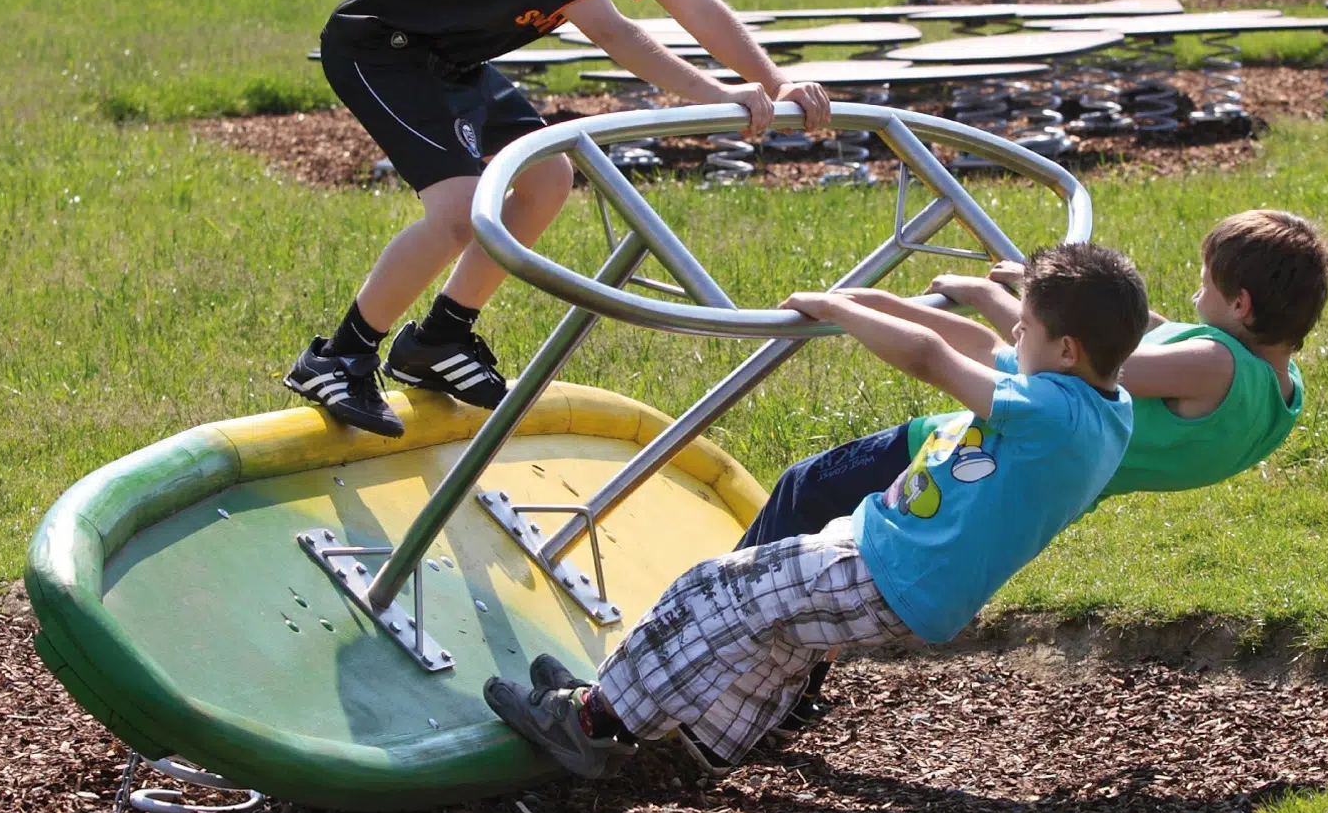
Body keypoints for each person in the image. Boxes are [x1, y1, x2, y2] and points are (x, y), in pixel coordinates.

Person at [482, 243, 1148, 777]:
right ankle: (711, 740)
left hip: (886, 569)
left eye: (1024, 326)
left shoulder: (1050, 409)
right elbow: (980, 347)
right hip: (896, 564)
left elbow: (932, 357)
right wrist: (878, 302)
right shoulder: (1100, 405)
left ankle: (590, 722)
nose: (1012, 333)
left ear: (1065, 350)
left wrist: (838, 309)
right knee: (776, 635)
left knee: (713, 588)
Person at [286, 0, 831, 436]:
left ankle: (439, 338)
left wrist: (775, 79)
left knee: (547, 178)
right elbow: (615, 33)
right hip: (382, 51)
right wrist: (718, 97)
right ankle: (340, 355)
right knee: (460, 211)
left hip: (451, 62)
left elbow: (691, 4)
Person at [734, 209, 1328, 725]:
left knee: (805, 490)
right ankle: (783, 690)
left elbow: (1101, 354)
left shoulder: (1213, 365)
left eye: (1205, 285)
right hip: (1038, 463)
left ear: (1241, 305)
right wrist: (1042, 289)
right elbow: (1146, 332)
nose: (1195, 297)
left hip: (986, 447)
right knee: (832, 549)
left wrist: (1001, 299)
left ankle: (722, 634)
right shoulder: (1281, 389)